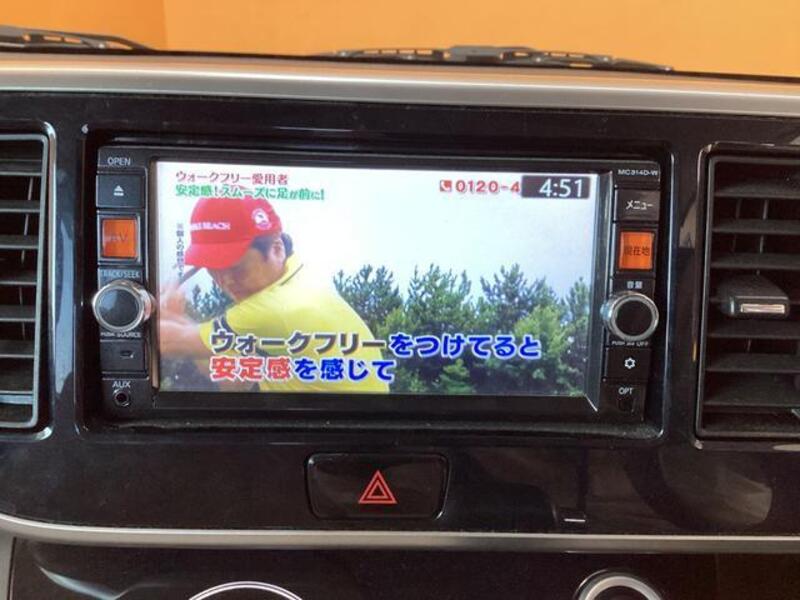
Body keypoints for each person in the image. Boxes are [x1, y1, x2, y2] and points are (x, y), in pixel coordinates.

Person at [159, 196, 390, 393]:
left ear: (277, 249)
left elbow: (165, 340)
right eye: (213, 270)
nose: (225, 281)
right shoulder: (298, 280)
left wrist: (159, 312)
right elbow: (233, 380)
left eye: (237, 268)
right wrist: (177, 321)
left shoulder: (277, 308)